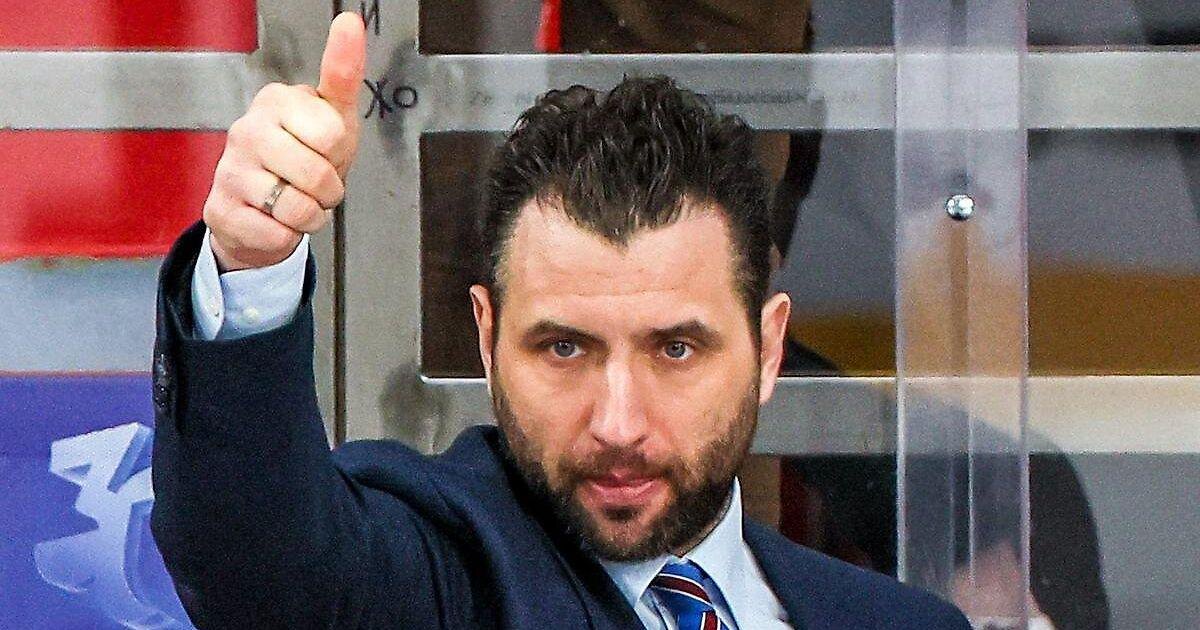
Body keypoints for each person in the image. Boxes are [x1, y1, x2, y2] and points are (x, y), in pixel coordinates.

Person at [149, 12, 971, 629]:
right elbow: (268, 569)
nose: (618, 423)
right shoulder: (440, 578)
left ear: (768, 347)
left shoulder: (899, 623)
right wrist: (251, 264)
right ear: (487, 337)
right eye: (565, 347)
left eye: (676, 349)